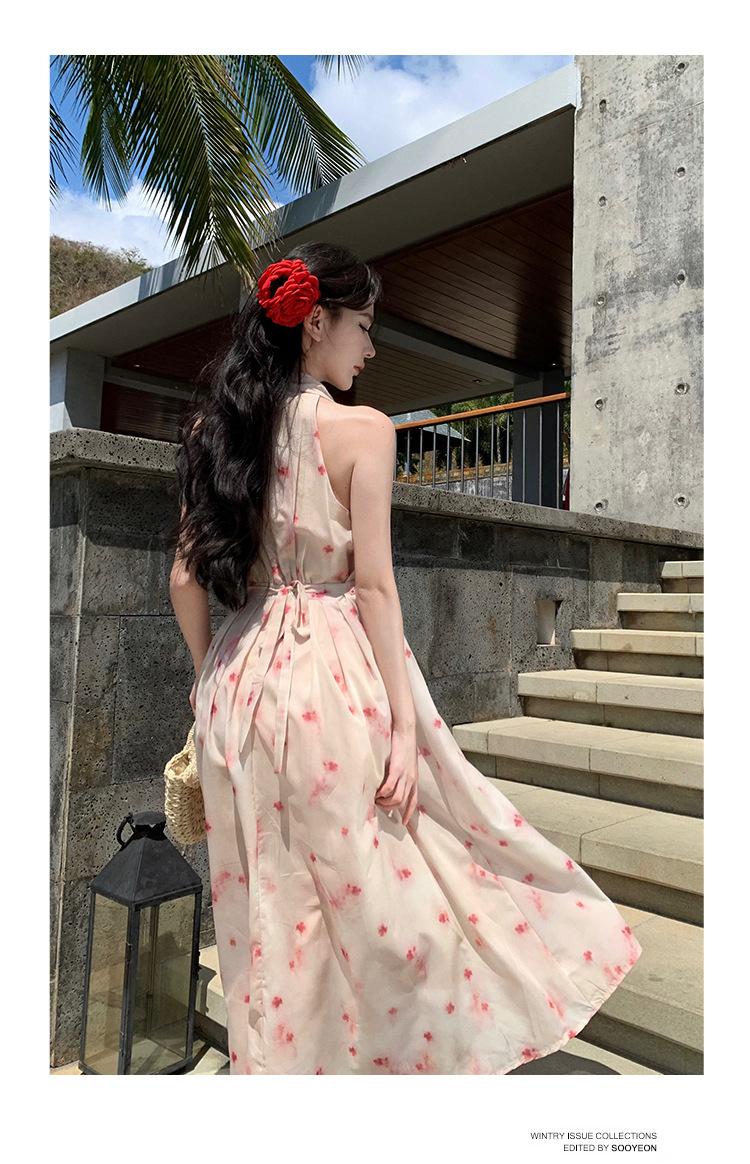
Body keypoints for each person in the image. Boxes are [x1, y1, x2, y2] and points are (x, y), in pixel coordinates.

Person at [169, 241, 642, 1075]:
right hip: (329, 676)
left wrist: (210, 682)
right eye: (363, 325)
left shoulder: (216, 431)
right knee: (385, 891)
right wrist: (401, 728)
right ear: (315, 323)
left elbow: (183, 577)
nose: (371, 347)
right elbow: (376, 588)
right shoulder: (363, 431)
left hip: (237, 685)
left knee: (266, 907)